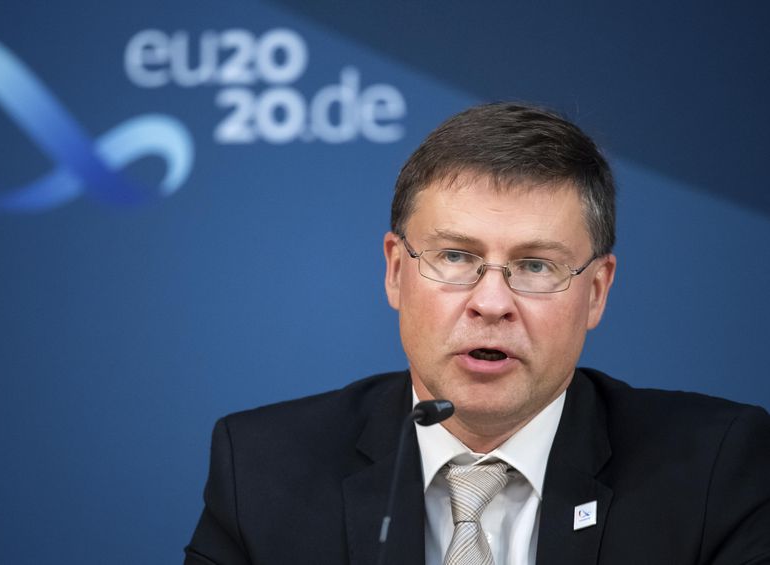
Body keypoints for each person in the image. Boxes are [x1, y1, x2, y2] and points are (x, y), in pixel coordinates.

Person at [184, 103, 770, 565]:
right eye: (457, 256)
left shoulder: (717, 470)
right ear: (395, 271)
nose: (492, 303)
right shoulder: (261, 469)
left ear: (596, 291)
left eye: (537, 265)